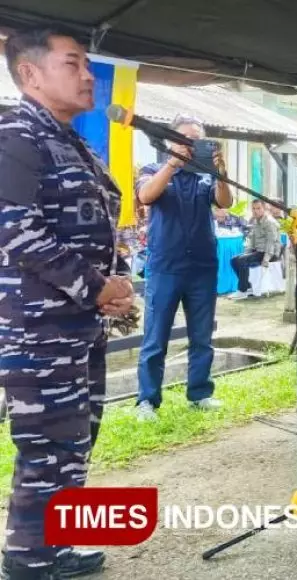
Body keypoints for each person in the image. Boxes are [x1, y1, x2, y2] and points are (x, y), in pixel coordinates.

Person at [0, 28, 136, 579]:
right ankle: (28, 560)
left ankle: (55, 545)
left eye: (88, 64)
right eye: (73, 63)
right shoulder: (15, 131)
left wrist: (117, 280)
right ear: (31, 73)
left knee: (75, 441)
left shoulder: (72, 139)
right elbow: (13, 225)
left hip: (79, 325)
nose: (88, 76)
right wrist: (94, 286)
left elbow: (97, 226)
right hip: (38, 327)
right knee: (46, 446)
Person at [134, 113, 233, 421]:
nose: (191, 145)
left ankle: (200, 392)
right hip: (165, 265)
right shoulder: (153, 169)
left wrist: (220, 173)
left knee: (201, 336)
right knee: (155, 336)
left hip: (202, 266)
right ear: (170, 142)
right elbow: (146, 195)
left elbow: (225, 202)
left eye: (197, 140)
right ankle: (147, 400)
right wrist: (173, 165)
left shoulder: (205, 175)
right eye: (184, 139)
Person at [229, 199, 282, 299]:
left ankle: (242, 290)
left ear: (264, 209)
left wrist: (266, 259)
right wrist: (247, 252)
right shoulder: (256, 221)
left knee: (242, 261)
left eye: (258, 208)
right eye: (253, 208)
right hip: (259, 251)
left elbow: (271, 242)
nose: (255, 211)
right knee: (234, 260)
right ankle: (248, 287)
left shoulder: (269, 222)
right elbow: (252, 239)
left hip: (270, 253)